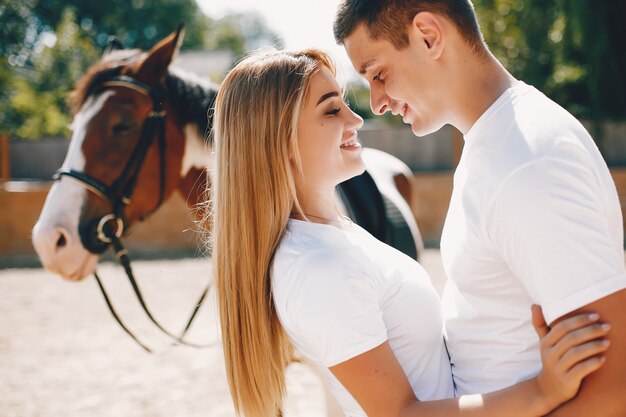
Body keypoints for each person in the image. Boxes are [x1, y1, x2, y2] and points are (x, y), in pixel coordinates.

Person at [207, 48, 610, 417]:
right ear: (278, 140)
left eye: (345, 104)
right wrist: (541, 390)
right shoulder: (317, 267)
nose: (356, 119)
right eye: (331, 111)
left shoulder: (330, 236)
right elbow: (400, 414)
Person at [333, 0, 626, 415]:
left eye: (378, 74)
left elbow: (615, 388)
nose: (376, 102)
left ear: (428, 36)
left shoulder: (526, 161)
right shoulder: (496, 144)